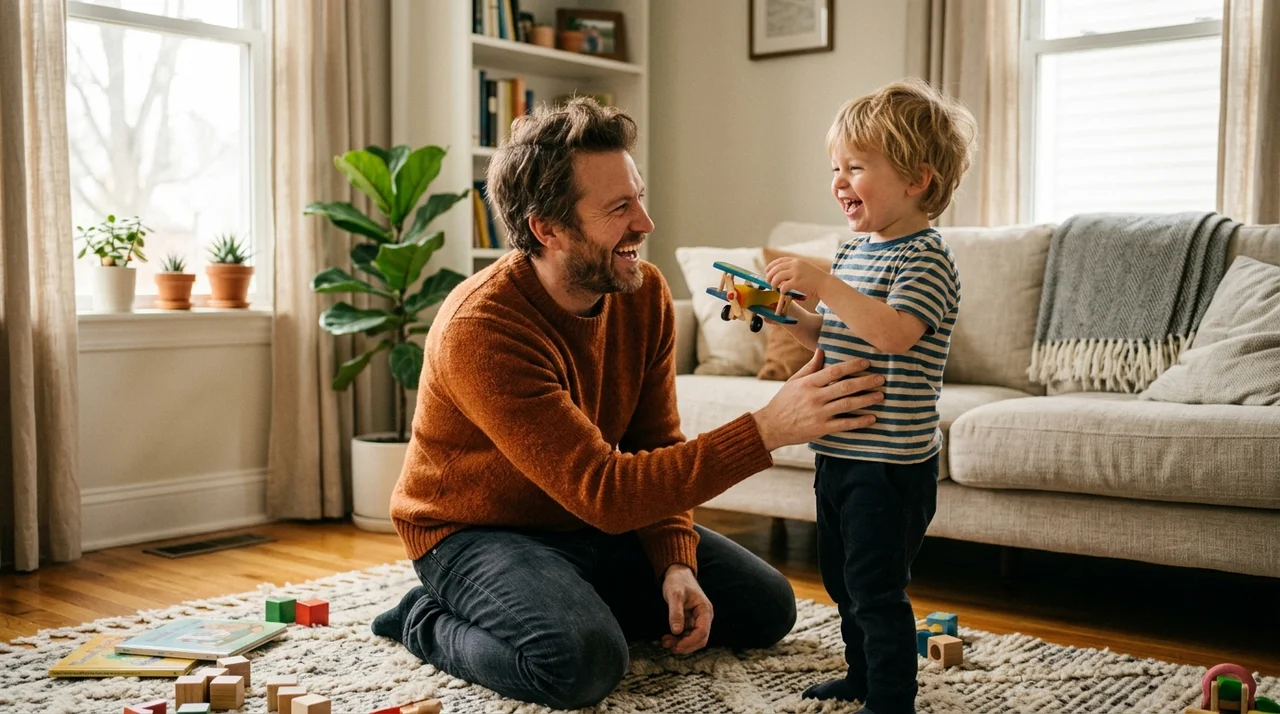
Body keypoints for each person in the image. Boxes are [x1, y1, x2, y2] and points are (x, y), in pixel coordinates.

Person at [369, 97, 889, 710]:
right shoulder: (481, 330)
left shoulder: (643, 294)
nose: (645, 222)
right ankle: (424, 618)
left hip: (585, 521)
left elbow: (654, 443)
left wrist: (675, 562)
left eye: (638, 197)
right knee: (581, 664)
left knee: (765, 608)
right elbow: (606, 492)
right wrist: (768, 428)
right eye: (619, 208)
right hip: (474, 533)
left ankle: (567, 597)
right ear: (547, 229)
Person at [764, 79, 976, 714]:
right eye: (835, 168)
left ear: (916, 179)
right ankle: (861, 675)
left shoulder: (927, 259)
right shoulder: (854, 250)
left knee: (875, 585)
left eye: (855, 167)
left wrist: (825, 283)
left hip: (891, 463)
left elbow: (892, 334)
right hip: (839, 449)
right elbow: (832, 333)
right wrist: (783, 313)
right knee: (841, 579)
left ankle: (891, 698)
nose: (839, 182)